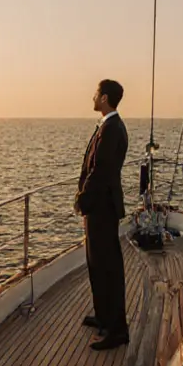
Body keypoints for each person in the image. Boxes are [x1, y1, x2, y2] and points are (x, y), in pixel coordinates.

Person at [75, 79, 129, 350]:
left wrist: (83, 199)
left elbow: (101, 172)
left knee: (108, 268)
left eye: (96, 93)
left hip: (102, 209)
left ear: (105, 98)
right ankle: (103, 316)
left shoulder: (111, 129)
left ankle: (117, 329)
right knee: (97, 264)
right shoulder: (110, 126)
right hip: (101, 208)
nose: (93, 97)